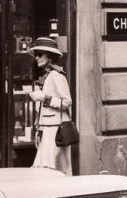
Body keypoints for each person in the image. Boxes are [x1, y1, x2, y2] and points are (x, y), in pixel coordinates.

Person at [27, 36, 72, 175]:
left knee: (49, 169)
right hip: (49, 130)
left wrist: (44, 98)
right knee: (50, 169)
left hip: (55, 130)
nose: (36, 58)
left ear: (49, 56)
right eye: (36, 55)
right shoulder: (48, 76)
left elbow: (66, 102)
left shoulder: (56, 76)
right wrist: (39, 131)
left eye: (39, 55)